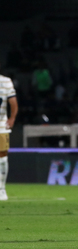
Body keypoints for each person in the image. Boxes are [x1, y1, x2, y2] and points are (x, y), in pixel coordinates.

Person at [0, 65, 18, 200]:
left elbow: (13, 102)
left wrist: (12, 118)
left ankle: (1, 189)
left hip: (1, 125)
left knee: (2, 156)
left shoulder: (5, 81)